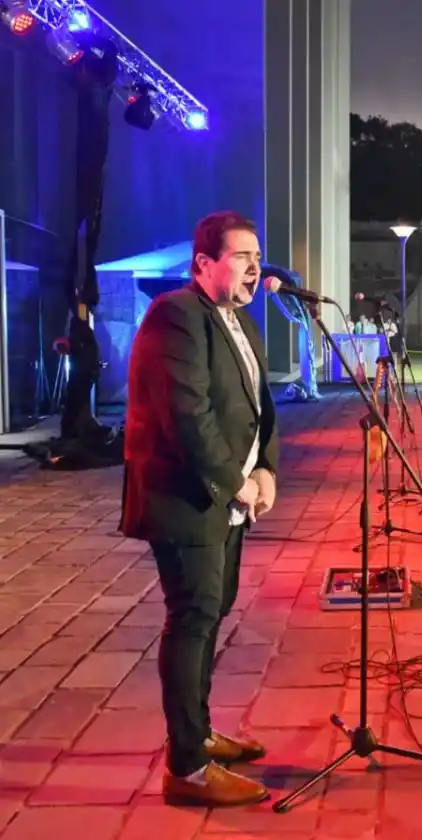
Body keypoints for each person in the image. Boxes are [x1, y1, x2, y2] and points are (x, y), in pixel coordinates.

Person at [121, 211, 279, 807]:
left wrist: (266, 469)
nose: (253, 266)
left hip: (230, 500)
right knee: (191, 622)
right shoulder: (178, 317)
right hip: (186, 500)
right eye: (240, 256)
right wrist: (235, 482)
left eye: (256, 255)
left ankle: (200, 733)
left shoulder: (240, 324)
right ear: (203, 264)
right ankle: (186, 768)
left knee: (211, 619)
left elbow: (263, 408)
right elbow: (188, 416)